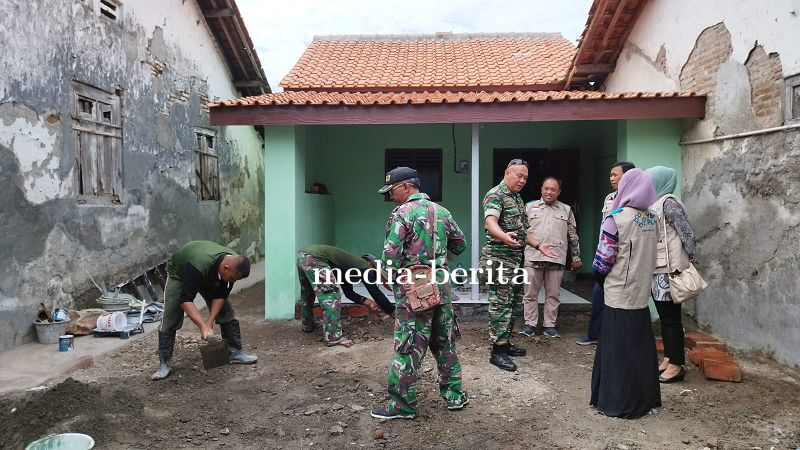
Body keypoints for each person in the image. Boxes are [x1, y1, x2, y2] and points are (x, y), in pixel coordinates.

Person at [370, 167, 469, 419]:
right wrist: (439, 261)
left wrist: (389, 279)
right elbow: (461, 243)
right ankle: (455, 396)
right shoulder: (442, 212)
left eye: (392, 190)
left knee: (407, 345)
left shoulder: (401, 214)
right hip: (442, 288)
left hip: (414, 293)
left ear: (406, 187)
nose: (390, 196)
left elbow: (390, 256)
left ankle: (402, 405)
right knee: (444, 342)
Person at [590, 169, 661, 419]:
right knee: (640, 347)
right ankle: (644, 398)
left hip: (619, 292)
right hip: (642, 292)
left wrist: (599, 279)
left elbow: (602, 262)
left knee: (617, 350)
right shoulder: (653, 217)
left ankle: (616, 401)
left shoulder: (616, 218)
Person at [480, 159, 556, 371]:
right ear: (507, 173)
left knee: (513, 305)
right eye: (518, 175)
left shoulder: (517, 198)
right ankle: (497, 351)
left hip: (515, 261)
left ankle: (504, 343)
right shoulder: (496, 194)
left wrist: (539, 245)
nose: (522, 180)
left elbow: (523, 232)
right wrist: (503, 236)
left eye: (525, 177)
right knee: (500, 306)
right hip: (499, 261)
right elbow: (490, 222)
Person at [152, 241, 256, 380]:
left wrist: (209, 322)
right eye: (231, 278)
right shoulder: (199, 264)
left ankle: (235, 351)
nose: (233, 281)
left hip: (209, 273)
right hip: (181, 273)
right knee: (171, 315)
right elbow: (185, 300)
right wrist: (202, 326)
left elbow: (220, 295)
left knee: (225, 310)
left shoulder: (234, 266)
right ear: (226, 268)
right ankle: (164, 365)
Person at [576, 161, 636, 346]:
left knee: (626, 300)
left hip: (626, 258)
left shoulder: (635, 200)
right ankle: (595, 334)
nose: (611, 178)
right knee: (598, 294)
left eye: (614, 175)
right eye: (610, 175)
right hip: (606, 255)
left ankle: (620, 338)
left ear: (627, 177)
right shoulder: (610, 198)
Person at [647, 166, 696, 383]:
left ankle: (677, 365)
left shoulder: (669, 202)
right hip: (658, 268)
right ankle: (669, 358)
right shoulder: (656, 203)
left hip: (669, 269)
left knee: (671, 319)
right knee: (666, 318)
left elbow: (686, 232)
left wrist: (690, 258)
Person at [296, 245, 395, 347]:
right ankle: (333, 337)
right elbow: (375, 292)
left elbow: (349, 293)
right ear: (370, 264)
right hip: (314, 259)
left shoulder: (345, 268)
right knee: (331, 295)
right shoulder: (363, 265)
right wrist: (392, 311)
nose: (373, 277)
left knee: (307, 294)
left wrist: (368, 302)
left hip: (303, 256)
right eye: (374, 274)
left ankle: (308, 325)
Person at [519, 177, 582, 338]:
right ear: (541, 189)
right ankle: (530, 324)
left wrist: (576, 257)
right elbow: (521, 233)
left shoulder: (566, 210)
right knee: (530, 293)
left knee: (553, 294)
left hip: (556, 257)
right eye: (546, 188)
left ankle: (549, 325)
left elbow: (572, 235)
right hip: (533, 257)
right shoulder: (529, 207)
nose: (549, 192)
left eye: (553, 190)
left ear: (559, 192)